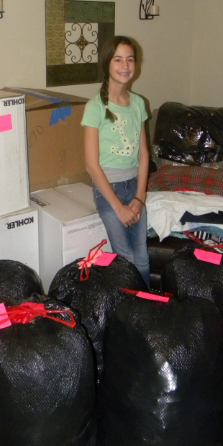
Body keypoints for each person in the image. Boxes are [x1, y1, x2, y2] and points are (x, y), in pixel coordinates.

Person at [81, 36, 150, 287]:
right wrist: (118, 207)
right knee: (126, 257)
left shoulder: (139, 103)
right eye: (118, 59)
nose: (125, 65)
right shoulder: (95, 107)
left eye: (130, 59)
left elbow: (144, 154)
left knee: (142, 256)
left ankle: (146, 307)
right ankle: (129, 310)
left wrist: (140, 197)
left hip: (134, 186)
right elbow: (91, 165)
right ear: (107, 64)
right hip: (108, 188)